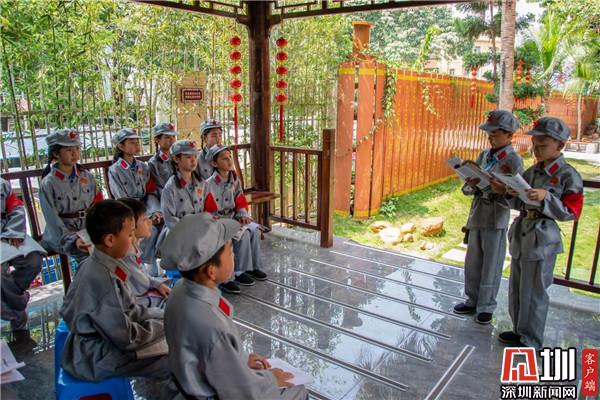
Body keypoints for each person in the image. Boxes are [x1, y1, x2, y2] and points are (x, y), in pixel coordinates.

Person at [161, 213, 309, 400]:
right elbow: (243, 391)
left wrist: (240, 361)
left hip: (188, 383)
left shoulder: (180, 289)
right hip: (211, 395)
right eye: (230, 250)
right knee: (298, 391)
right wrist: (272, 379)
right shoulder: (212, 325)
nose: (234, 255)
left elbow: (211, 359)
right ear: (211, 271)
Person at [494, 117, 584, 349]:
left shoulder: (567, 175)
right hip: (522, 233)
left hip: (542, 239)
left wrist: (547, 198)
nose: (537, 148)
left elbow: (572, 212)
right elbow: (520, 201)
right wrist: (508, 192)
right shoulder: (532, 171)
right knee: (517, 286)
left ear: (560, 145)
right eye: (535, 143)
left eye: (543, 144)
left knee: (535, 291)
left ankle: (531, 339)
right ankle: (519, 330)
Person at [60, 200, 169, 382]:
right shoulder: (105, 279)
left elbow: (131, 310)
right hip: (94, 355)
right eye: (130, 234)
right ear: (110, 240)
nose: (134, 240)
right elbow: (128, 338)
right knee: (174, 357)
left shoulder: (97, 263)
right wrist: (165, 326)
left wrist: (165, 316)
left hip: (99, 341)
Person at [453, 110, 524, 325]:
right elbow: (471, 185)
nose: (491, 137)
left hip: (496, 215)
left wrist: (501, 189)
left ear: (509, 135)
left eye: (495, 133)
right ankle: (472, 299)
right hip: (477, 214)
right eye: (489, 133)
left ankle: (486, 306)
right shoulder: (484, 155)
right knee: (473, 260)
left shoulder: (513, 160)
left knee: (491, 263)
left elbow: (517, 191)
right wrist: (471, 183)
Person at [204, 144, 268, 293]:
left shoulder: (235, 180)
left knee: (254, 230)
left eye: (229, 157)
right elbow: (208, 211)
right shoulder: (208, 185)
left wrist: (243, 215)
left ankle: (252, 267)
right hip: (218, 221)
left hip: (234, 217)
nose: (229, 160)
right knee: (242, 234)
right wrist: (227, 222)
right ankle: (237, 272)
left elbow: (240, 202)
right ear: (214, 163)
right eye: (223, 158)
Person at [39, 129, 103, 265]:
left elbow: (97, 206)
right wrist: (73, 240)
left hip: (86, 229)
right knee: (88, 255)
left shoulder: (87, 177)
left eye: (77, 148)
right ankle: (84, 279)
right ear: (56, 153)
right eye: (69, 150)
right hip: (61, 235)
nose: (75, 153)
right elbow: (52, 220)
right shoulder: (49, 183)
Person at [108, 128, 163, 277]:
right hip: (128, 211)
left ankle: (153, 265)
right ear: (121, 146)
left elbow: (151, 191)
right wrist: (143, 216)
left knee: (161, 226)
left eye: (137, 142)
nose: (136, 145)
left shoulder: (143, 167)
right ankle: (146, 267)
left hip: (146, 208)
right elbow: (121, 198)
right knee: (148, 230)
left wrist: (155, 211)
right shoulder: (115, 170)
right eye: (132, 142)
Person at [1, 178, 46, 332]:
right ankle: (18, 307)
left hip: (7, 233)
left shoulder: (2, 185)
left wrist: (13, 232)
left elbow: (17, 208)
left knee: (34, 259)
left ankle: (15, 302)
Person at [119, 197, 171, 308]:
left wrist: (158, 284)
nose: (150, 221)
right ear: (132, 225)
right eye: (144, 219)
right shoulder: (126, 254)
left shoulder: (132, 248)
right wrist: (158, 284)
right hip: (135, 304)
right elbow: (143, 285)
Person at [148, 122, 177, 197]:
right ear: (157, 140)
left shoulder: (179, 158)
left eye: (173, 136)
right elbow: (160, 187)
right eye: (167, 137)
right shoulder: (153, 163)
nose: (172, 140)